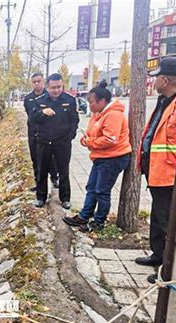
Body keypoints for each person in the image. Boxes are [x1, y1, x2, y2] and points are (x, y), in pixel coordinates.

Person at [134, 57, 176, 284]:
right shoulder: (165, 101)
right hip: (157, 171)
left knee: (168, 221)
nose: (153, 82)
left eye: (156, 78)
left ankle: (170, 271)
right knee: (157, 215)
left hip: (171, 175)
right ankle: (158, 255)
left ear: (165, 79)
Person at [63, 81, 131, 232]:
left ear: (102, 101)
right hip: (100, 157)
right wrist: (85, 140)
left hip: (113, 158)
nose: (90, 106)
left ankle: (99, 221)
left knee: (102, 191)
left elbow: (110, 139)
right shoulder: (98, 114)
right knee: (91, 188)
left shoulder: (113, 115)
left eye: (92, 102)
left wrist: (90, 142)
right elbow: (89, 133)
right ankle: (84, 216)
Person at [32, 73, 79, 209]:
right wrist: (42, 112)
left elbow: (74, 121)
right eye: (53, 87)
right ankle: (41, 197)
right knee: (42, 171)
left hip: (62, 142)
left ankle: (65, 198)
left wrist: (70, 137)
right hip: (44, 141)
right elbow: (33, 118)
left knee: (63, 171)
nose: (56, 90)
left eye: (59, 87)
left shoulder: (69, 100)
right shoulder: (40, 101)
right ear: (47, 87)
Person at [23, 73, 59, 191]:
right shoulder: (28, 98)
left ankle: (54, 178)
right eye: (34, 82)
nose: (37, 84)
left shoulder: (49, 96)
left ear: (43, 82)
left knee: (50, 158)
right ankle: (38, 183)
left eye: (39, 81)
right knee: (35, 158)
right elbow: (30, 115)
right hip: (33, 132)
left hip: (47, 132)